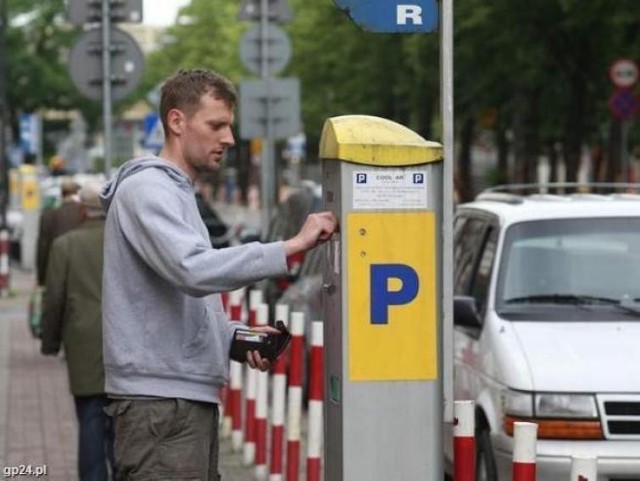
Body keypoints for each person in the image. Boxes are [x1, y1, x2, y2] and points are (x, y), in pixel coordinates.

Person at [100, 68, 337, 481]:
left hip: (175, 398)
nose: (228, 138)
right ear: (177, 122)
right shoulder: (148, 191)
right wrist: (290, 247)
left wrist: (231, 338)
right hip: (161, 405)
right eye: (217, 125)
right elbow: (192, 270)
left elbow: (175, 293)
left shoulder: (175, 191)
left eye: (229, 125)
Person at [40, 180, 115, 481]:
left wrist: (50, 342)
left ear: (82, 211)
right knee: (123, 422)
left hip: (83, 344)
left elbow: (54, 298)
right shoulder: (123, 241)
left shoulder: (65, 246)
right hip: (125, 341)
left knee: (91, 418)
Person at [36, 178, 82, 286]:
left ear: (62, 194)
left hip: (55, 271)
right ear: (76, 192)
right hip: (80, 273)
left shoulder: (48, 216)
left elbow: (43, 247)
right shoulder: (83, 214)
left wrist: (41, 277)